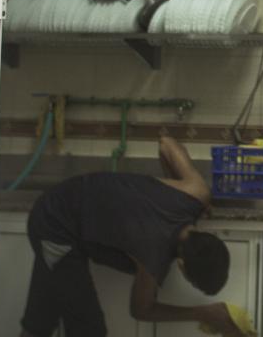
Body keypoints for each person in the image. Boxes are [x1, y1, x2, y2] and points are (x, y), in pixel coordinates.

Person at [19, 134, 248, 337]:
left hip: (63, 202)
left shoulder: (196, 193)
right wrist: (205, 313)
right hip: (55, 228)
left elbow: (166, 143)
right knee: (88, 329)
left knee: (41, 319)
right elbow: (141, 310)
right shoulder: (152, 254)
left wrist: (176, 186)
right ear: (180, 265)